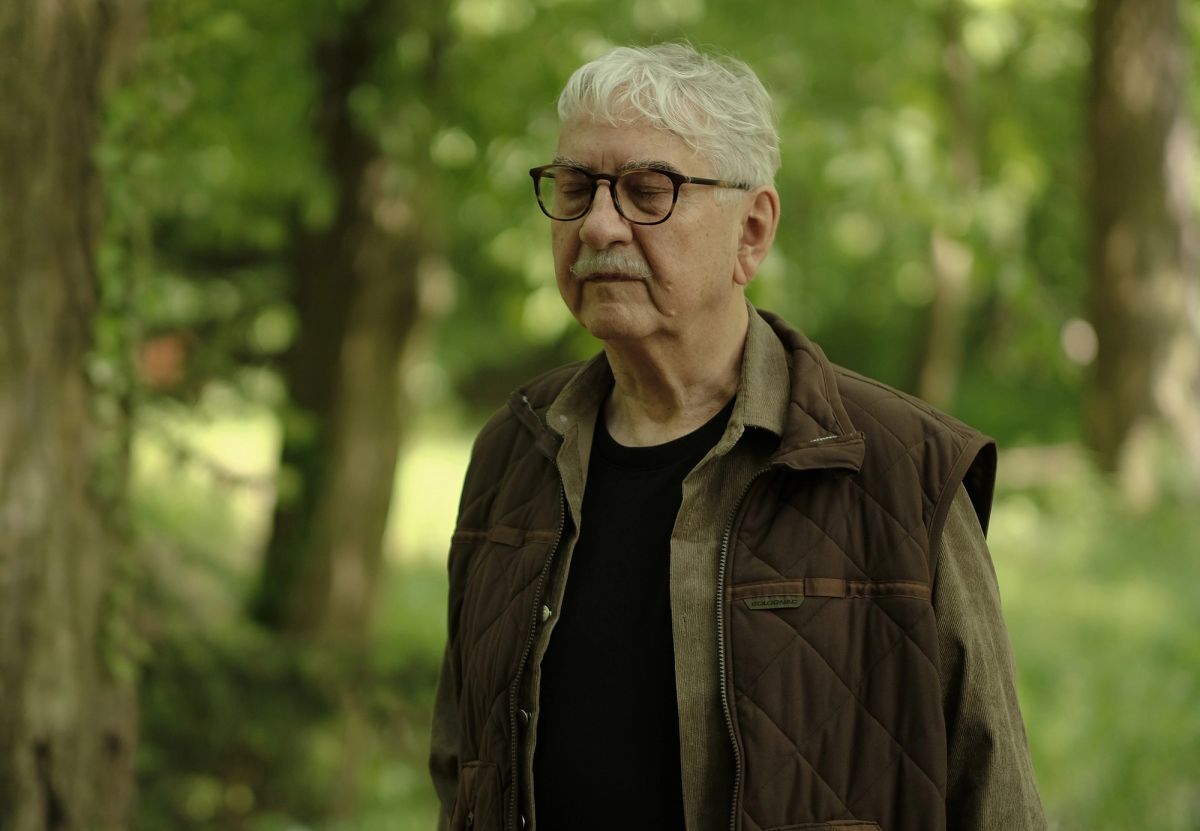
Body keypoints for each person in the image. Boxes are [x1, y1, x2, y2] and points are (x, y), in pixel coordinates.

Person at [429, 42, 1045, 831]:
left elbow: (997, 800)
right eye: (577, 188)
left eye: (648, 191)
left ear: (752, 231)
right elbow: (464, 770)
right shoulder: (512, 452)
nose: (598, 225)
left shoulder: (904, 470)